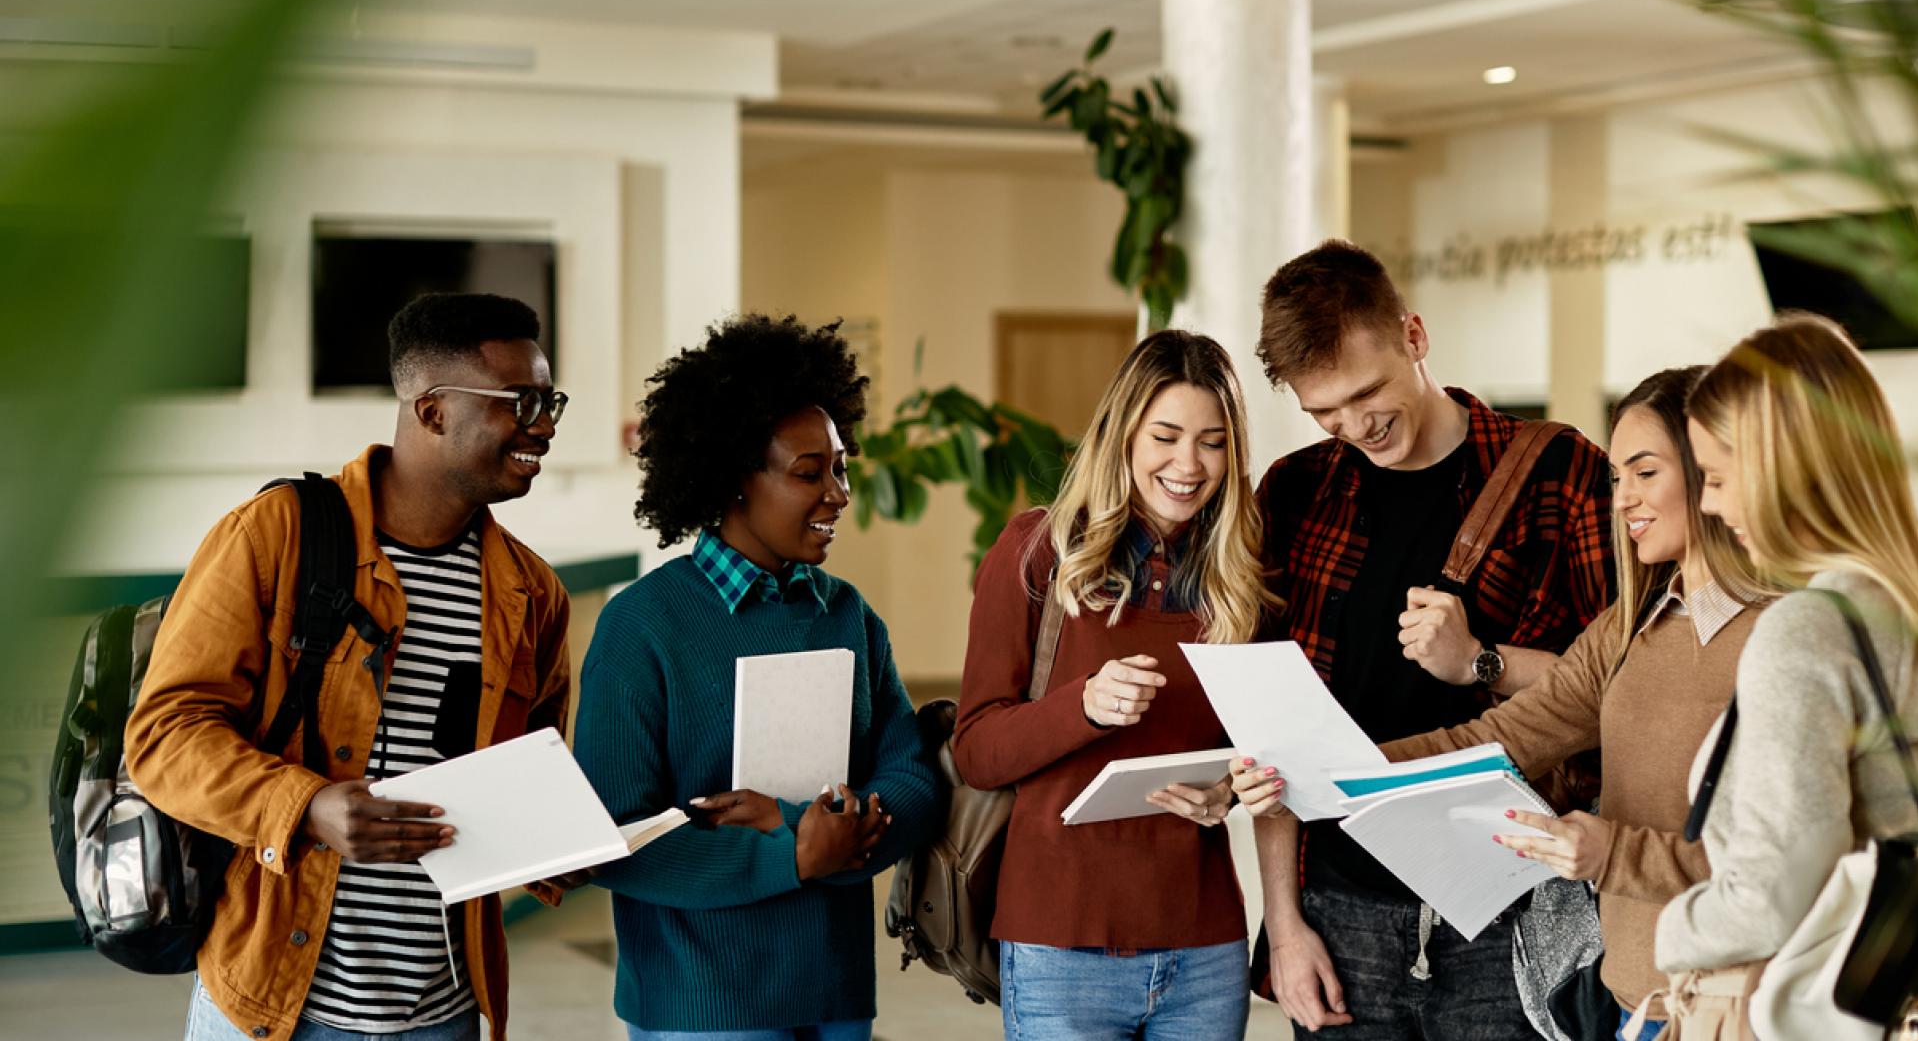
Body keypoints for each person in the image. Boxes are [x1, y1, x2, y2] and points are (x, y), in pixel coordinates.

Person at [125, 292, 577, 1041]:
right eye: (521, 401)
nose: (546, 424)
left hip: (449, 1011)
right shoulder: (275, 535)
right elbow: (163, 737)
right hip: (274, 1006)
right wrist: (307, 808)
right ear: (431, 410)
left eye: (549, 399)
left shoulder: (531, 594)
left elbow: (530, 771)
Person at [1232, 239, 1615, 1040]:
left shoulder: (1563, 475)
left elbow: (1621, 691)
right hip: (1340, 906)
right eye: (1324, 411)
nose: (1354, 425)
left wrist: (1481, 662)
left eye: (1367, 391)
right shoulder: (1297, 491)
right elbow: (1273, 732)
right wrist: (1285, 923)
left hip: (1511, 901)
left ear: (1415, 335)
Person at [1341, 366, 1775, 1041]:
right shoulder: (1627, 629)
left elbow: (1785, 859)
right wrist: (1320, 773)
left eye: (1645, 472)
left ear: (1713, 469)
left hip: (1748, 1010)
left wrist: (1610, 854)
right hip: (1633, 1005)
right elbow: (1493, 742)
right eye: (1616, 478)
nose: (1623, 497)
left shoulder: (1790, 636)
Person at [573, 314, 944, 1041]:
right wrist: (795, 854)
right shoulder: (644, 625)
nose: (839, 493)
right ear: (734, 479)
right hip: (700, 1006)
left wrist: (806, 825)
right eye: (810, 473)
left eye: (842, 466)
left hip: (834, 995)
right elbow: (611, 840)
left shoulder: (848, 617)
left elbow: (915, 782)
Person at [1650, 314, 1918, 1027]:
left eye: (1715, 477)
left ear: (1783, 471)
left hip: (1786, 1000)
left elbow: (1773, 896)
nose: (1710, 504)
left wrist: (1672, 931)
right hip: (1898, 992)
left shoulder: (1806, 630)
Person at [952, 329, 1279, 1041]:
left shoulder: (1241, 577)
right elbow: (976, 749)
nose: (1188, 464)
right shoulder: (1038, 553)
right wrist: (1084, 706)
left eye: (1212, 441)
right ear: (1122, 433)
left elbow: (1248, 747)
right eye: (1165, 435)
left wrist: (1226, 789)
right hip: (1059, 944)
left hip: (1204, 945)